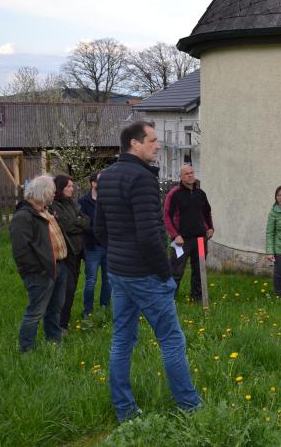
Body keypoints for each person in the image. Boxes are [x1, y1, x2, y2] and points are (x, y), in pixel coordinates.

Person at [95, 121, 201, 422]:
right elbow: (149, 236)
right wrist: (165, 274)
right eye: (152, 140)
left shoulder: (107, 177)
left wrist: (118, 255)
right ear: (134, 144)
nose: (158, 145)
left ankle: (124, 410)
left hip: (118, 272)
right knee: (171, 339)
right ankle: (190, 407)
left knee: (121, 340)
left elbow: (99, 230)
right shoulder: (141, 179)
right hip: (145, 274)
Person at [10, 174, 70, 352]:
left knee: (54, 309)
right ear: (42, 192)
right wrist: (39, 270)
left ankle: (54, 342)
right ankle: (26, 349)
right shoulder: (24, 216)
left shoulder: (45, 211)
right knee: (35, 311)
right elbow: (21, 251)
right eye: (52, 191)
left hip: (58, 267)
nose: (54, 194)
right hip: (41, 272)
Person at [163, 164, 214, 303]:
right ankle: (169, 300)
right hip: (181, 241)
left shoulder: (200, 193)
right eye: (186, 174)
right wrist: (175, 234)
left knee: (199, 270)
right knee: (176, 271)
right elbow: (167, 216)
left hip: (200, 240)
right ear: (181, 177)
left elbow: (207, 212)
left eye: (192, 172)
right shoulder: (174, 193)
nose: (190, 175)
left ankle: (197, 298)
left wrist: (210, 228)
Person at [50, 174, 89, 332]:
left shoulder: (72, 203)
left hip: (77, 252)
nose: (72, 189)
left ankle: (63, 323)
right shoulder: (54, 205)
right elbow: (66, 225)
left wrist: (79, 221)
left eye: (72, 186)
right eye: (69, 186)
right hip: (64, 252)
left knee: (71, 289)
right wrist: (79, 221)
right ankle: (58, 325)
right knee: (65, 289)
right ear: (60, 188)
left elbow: (87, 221)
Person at [78, 171, 111, 318]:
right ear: (94, 183)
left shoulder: (109, 200)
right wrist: (98, 232)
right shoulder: (83, 202)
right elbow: (83, 224)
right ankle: (88, 311)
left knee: (108, 280)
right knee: (90, 280)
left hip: (108, 246)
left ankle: (105, 308)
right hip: (92, 246)